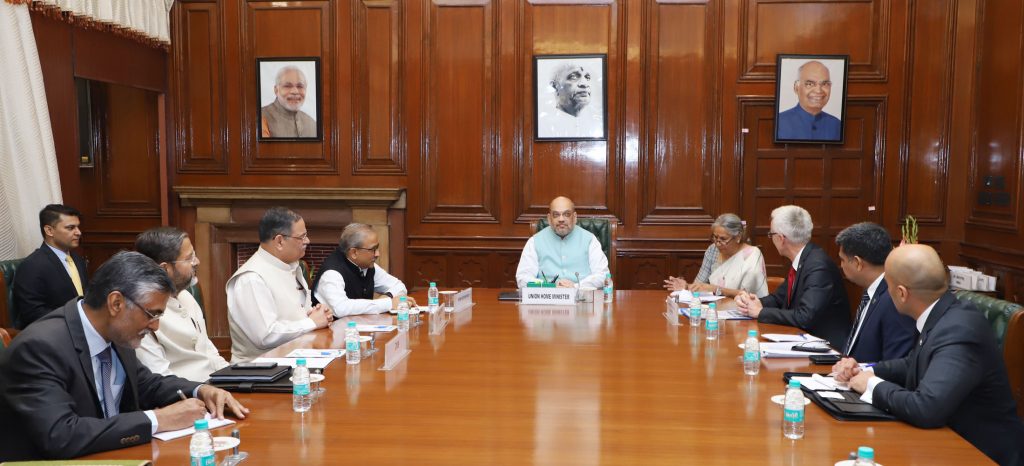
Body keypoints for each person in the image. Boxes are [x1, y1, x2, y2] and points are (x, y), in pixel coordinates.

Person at [0, 251, 248, 461]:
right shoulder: (39, 348)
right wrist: (158, 419)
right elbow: (60, 435)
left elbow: (147, 384)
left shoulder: (116, 332)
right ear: (116, 303)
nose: (155, 326)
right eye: (152, 314)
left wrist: (201, 390)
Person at [833, 245, 1024, 465]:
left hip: (978, 453)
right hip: (943, 442)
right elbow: (914, 362)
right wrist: (866, 369)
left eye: (888, 287)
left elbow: (926, 407)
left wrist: (871, 385)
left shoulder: (959, 329)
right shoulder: (943, 311)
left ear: (902, 293)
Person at [735, 205, 851, 347]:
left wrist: (761, 312)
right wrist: (754, 302)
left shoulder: (818, 266)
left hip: (826, 349)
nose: (771, 240)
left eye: (771, 235)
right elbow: (779, 298)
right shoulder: (804, 259)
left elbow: (805, 316)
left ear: (781, 238)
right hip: (802, 338)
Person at [227, 207, 332, 362]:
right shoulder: (251, 278)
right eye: (301, 237)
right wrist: (311, 322)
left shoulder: (291, 265)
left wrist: (316, 312)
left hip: (295, 359)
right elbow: (266, 336)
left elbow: (295, 312)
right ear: (280, 241)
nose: (307, 241)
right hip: (260, 371)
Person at [134, 227, 229, 382]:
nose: (197, 262)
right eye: (189, 258)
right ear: (165, 268)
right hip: (186, 398)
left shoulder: (187, 297)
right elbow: (160, 377)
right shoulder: (142, 313)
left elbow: (209, 352)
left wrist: (235, 380)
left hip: (217, 388)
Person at [834, 222, 917, 362]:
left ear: (857, 263)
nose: (841, 265)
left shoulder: (893, 299)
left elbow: (894, 364)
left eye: (842, 260)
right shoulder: (873, 290)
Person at [311, 223, 416, 317]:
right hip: (331, 335)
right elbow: (341, 308)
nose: (377, 254)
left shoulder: (368, 266)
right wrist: (388, 303)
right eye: (372, 250)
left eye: (377, 248)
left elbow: (398, 286)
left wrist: (386, 298)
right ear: (354, 253)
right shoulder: (332, 273)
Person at [12, 204, 89, 329]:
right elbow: (33, 313)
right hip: (54, 334)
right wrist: (75, 321)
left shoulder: (77, 259)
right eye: (70, 228)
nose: (78, 233)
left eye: (78, 227)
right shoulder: (32, 266)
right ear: (49, 231)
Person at [663, 213, 768, 298]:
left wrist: (716, 290)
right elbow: (700, 284)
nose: (717, 243)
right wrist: (686, 286)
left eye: (723, 239)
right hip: (714, 309)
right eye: (715, 237)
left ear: (738, 237)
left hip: (744, 312)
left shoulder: (752, 255)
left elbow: (750, 296)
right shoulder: (713, 250)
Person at [515, 196, 609, 289]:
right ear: (549, 218)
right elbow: (522, 279)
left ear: (575, 217)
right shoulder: (534, 241)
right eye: (556, 215)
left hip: (581, 299)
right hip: (547, 299)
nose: (561, 219)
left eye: (567, 214)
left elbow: (603, 275)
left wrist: (575, 286)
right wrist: (551, 287)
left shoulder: (590, 240)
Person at [776, 60, 842, 141]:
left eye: (825, 84)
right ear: (796, 88)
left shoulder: (837, 125)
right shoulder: (779, 123)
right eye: (810, 84)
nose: (818, 91)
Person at [537, 62, 604, 139]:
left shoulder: (596, 124)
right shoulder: (544, 126)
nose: (585, 84)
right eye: (574, 77)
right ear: (555, 85)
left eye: (587, 77)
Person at [260, 65, 316, 138]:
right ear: (276, 90)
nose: (295, 91)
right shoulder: (261, 117)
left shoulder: (312, 124)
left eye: (300, 86)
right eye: (287, 86)